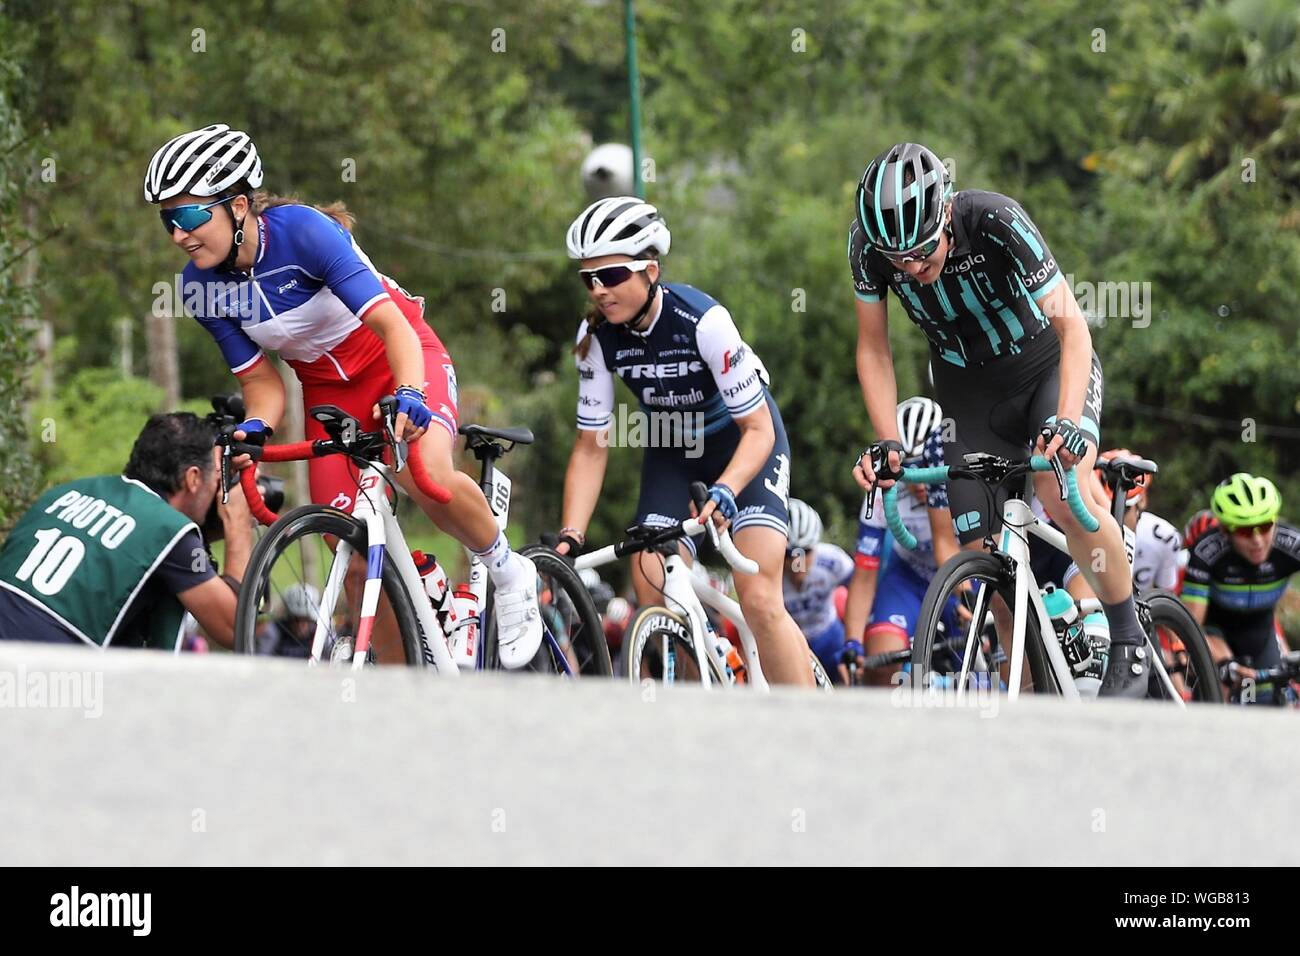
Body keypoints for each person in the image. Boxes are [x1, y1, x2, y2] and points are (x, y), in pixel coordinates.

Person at [143, 124, 540, 666]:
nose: (178, 234)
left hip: (396, 356)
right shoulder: (199, 286)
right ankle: (403, 687)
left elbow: (393, 327)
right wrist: (254, 429)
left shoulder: (304, 234)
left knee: (426, 473)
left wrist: (407, 392)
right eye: (168, 220)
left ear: (238, 206)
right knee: (349, 556)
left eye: (189, 216)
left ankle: (508, 570)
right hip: (327, 391)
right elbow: (261, 382)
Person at [847, 142, 1149, 696]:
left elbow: (1073, 328)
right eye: (900, 262)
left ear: (944, 215)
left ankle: (1128, 636)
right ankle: (1029, 699)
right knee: (984, 556)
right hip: (969, 397)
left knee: (1058, 490)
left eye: (920, 253)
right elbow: (874, 350)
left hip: (1046, 368)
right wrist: (887, 439)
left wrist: (1068, 424)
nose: (913, 271)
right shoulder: (869, 246)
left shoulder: (994, 219)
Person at [553, 196, 812, 685]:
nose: (599, 290)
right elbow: (592, 444)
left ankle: (807, 725)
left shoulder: (703, 321)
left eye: (610, 276)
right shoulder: (595, 336)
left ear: (650, 270)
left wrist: (728, 489)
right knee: (653, 586)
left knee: (757, 596)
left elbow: (758, 429)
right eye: (588, 279)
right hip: (673, 453)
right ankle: (701, 701)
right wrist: (571, 533)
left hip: (743, 448)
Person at [0, 413, 251, 649]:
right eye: (217, 478)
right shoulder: (167, 530)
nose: (218, 488)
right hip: (34, 677)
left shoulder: (68, 492)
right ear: (193, 478)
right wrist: (237, 523)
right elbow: (235, 629)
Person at [844, 397, 961, 685]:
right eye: (907, 468)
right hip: (908, 581)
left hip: (962, 581)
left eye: (926, 464)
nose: (919, 480)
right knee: (882, 666)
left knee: (997, 669)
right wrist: (852, 643)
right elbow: (864, 576)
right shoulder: (884, 495)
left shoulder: (964, 485)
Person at [1182, 473, 1299, 699]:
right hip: (1216, 634)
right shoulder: (1207, 552)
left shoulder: (1291, 544)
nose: (1257, 540)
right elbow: (1190, 626)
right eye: (1245, 530)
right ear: (1225, 530)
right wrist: (1222, 662)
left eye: (1265, 526)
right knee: (1220, 687)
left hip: (1261, 634)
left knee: (1277, 696)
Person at [781, 499, 856, 684]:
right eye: (789, 554)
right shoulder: (765, 568)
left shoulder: (833, 560)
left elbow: (861, 594)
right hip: (788, 642)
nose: (797, 562)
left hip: (828, 636)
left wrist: (854, 643)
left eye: (805, 551)